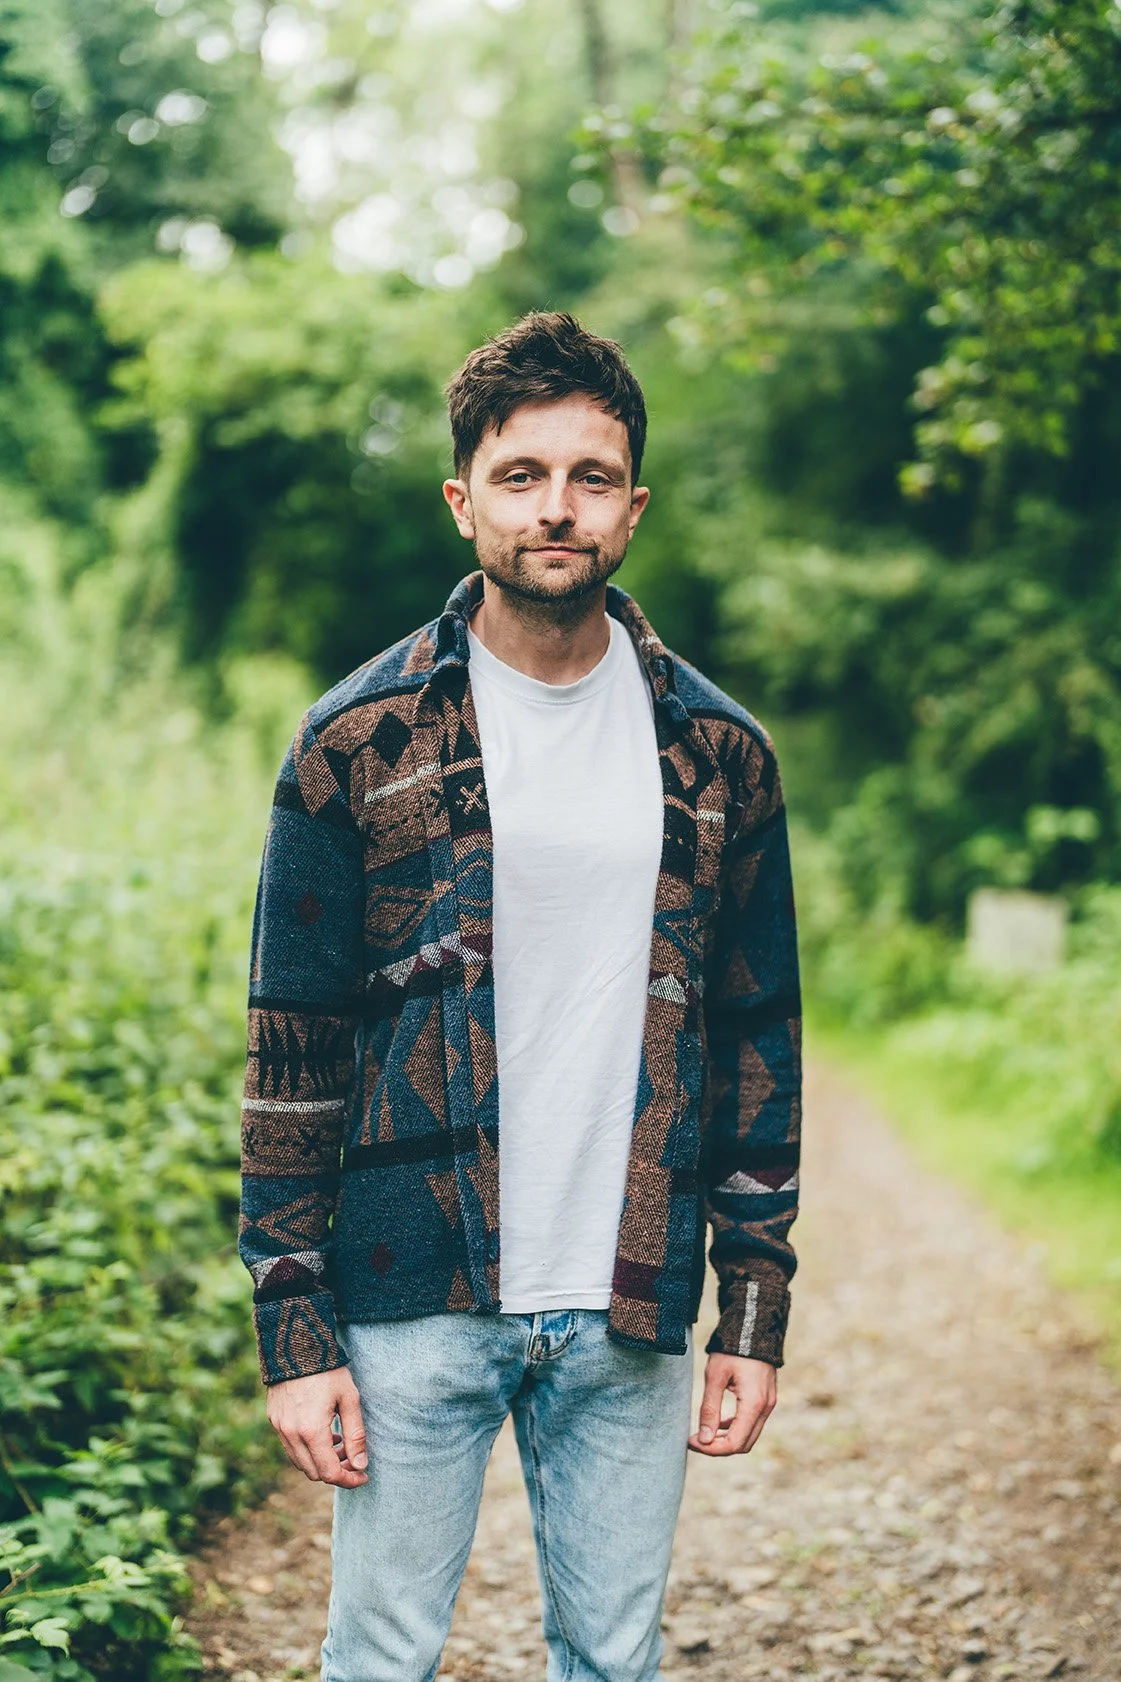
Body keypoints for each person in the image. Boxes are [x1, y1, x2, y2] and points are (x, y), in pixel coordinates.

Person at [237, 310, 802, 1682]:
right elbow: (293, 1052)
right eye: (522, 473)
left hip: (632, 1293)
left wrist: (753, 1306)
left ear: (633, 505)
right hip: (408, 1289)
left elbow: (754, 1040)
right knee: (379, 1652)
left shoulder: (722, 754)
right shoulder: (352, 743)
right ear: (463, 499)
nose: (558, 506)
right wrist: (291, 1329)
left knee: (613, 1656)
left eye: (592, 476)